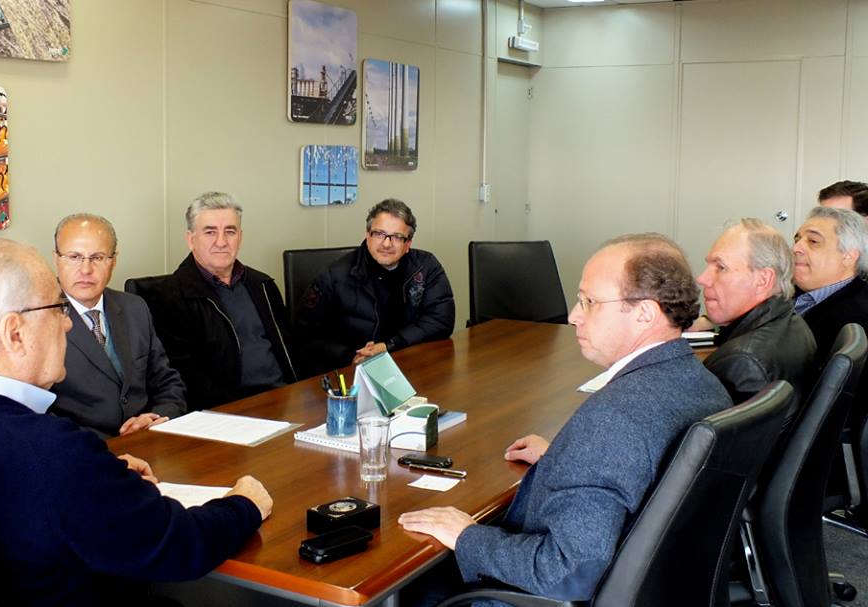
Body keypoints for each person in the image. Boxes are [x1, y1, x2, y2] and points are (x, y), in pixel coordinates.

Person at [0, 238, 272, 606]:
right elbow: (180, 546)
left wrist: (101, 477)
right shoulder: (53, 453)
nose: (67, 324)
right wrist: (244, 503)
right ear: (14, 333)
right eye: (58, 308)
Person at [398, 234, 732, 603]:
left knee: (407, 586)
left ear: (645, 313)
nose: (573, 316)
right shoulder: (704, 385)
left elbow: (567, 570)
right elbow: (636, 470)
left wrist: (466, 536)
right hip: (670, 589)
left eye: (589, 302)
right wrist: (568, 459)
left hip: (540, 596)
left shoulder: (613, 419)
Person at [134, 192, 297, 410]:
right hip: (228, 411)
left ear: (240, 237)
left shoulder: (262, 285)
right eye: (210, 232)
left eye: (230, 231)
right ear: (191, 239)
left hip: (284, 397)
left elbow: (291, 350)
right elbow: (185, 378)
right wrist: (239, 412)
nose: (221, 242)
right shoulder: (168, 297)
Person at [49, 214, 187, 437]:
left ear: (113, 261)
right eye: (74, 257)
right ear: (56, 259)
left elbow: (168, 383)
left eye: (98, 257)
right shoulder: (39, 318)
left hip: (147, 439)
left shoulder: (134, 307)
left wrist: (156, 417)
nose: (86, 269)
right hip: (83, 448)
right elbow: (38, 412)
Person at [297, 198, 455, 375]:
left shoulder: (426, 266)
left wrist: (389, 345)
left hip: (412, 363)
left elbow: (441, 321)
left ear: (408, 244)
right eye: (379, 234)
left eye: (397, 237)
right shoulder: (334, 275)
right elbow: (307, 333)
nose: (386, 244)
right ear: (368, 235)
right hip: (353, 371)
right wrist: (351, 357)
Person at [697, 219, 816, 404]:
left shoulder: (742, 362)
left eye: (721, 267)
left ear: (763, 280)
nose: (702, 279)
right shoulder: (793, 322)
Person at [793, 206, 868, 411]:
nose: (796, 248)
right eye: (797, 239)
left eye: (813, 241)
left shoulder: (852, 319)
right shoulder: (796, 292)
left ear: (849, 256)